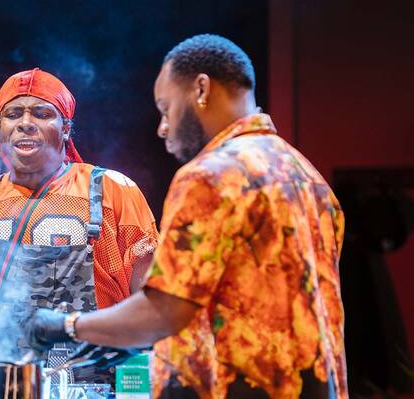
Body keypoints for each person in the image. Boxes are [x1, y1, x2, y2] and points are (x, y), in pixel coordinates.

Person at [27, 35, 347, 398]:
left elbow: (163, 312)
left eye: (166, 109)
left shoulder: (210, 176)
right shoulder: (307, 176)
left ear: (201, 89)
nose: (162, 128)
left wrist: (66, 325)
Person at [0, 68, 157, 367]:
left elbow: (152, 304)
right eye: (13, 114)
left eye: (42, 113)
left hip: (90, 384)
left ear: (66, 129)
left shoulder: (112, 190)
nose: (26, 124)